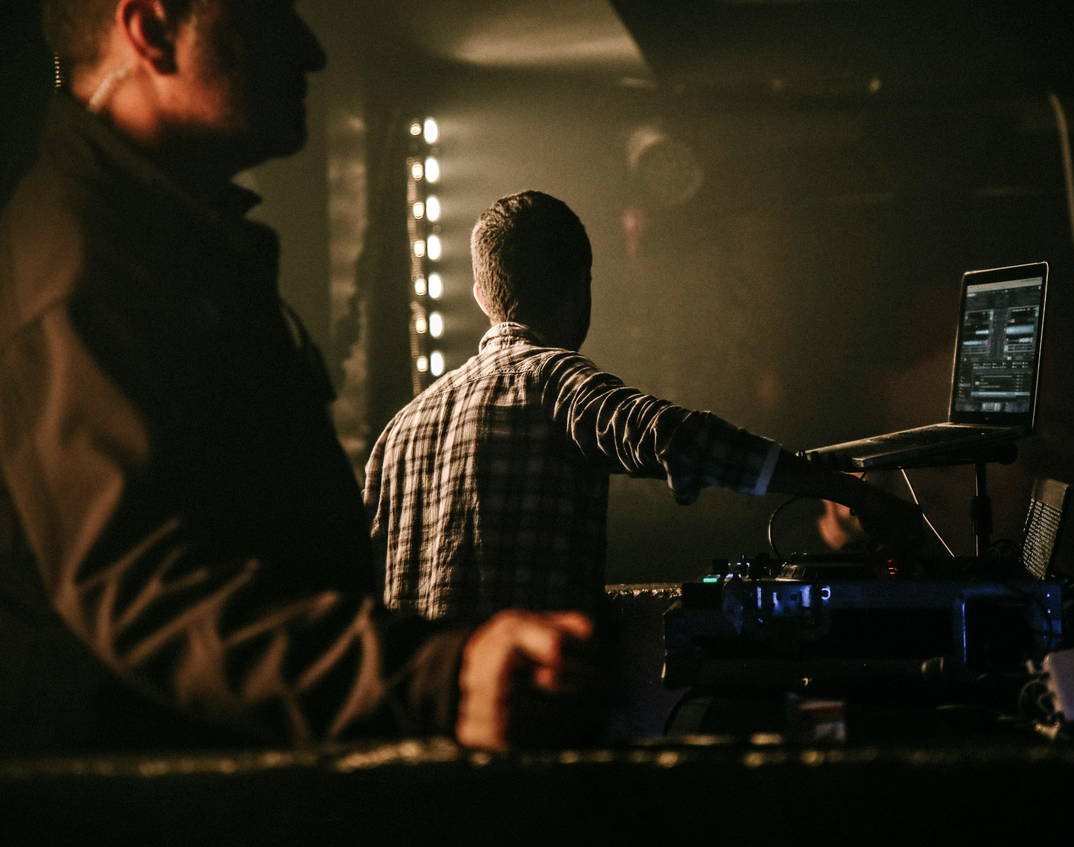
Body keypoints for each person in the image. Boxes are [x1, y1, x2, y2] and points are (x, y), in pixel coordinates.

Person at [0, 0, 591, 754]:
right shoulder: (82, 262)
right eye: (265, 14)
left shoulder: (161, 242)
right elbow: (144, 589)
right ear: (151, 30)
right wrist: (440, 679)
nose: (311, 52)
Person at [364, 190, 924, 623]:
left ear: (482, 294)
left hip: (417, 735)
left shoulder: (399, 429)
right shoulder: (552, 382)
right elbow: (677, 437)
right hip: (527, 723)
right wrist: (850, 492)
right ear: (580, 286)